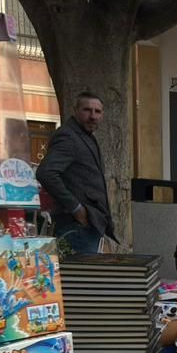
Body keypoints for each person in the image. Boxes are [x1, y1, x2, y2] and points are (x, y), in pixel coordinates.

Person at [36, 92, 114, 254]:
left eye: (97, 111)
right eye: (87, 110)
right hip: (75, 225)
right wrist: (76, 208)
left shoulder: (86, 137)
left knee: (85, 276)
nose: (93, 116)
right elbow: (45, 173)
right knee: (81, 277)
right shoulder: (68, 136)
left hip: (87, 224)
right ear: (75, 110)